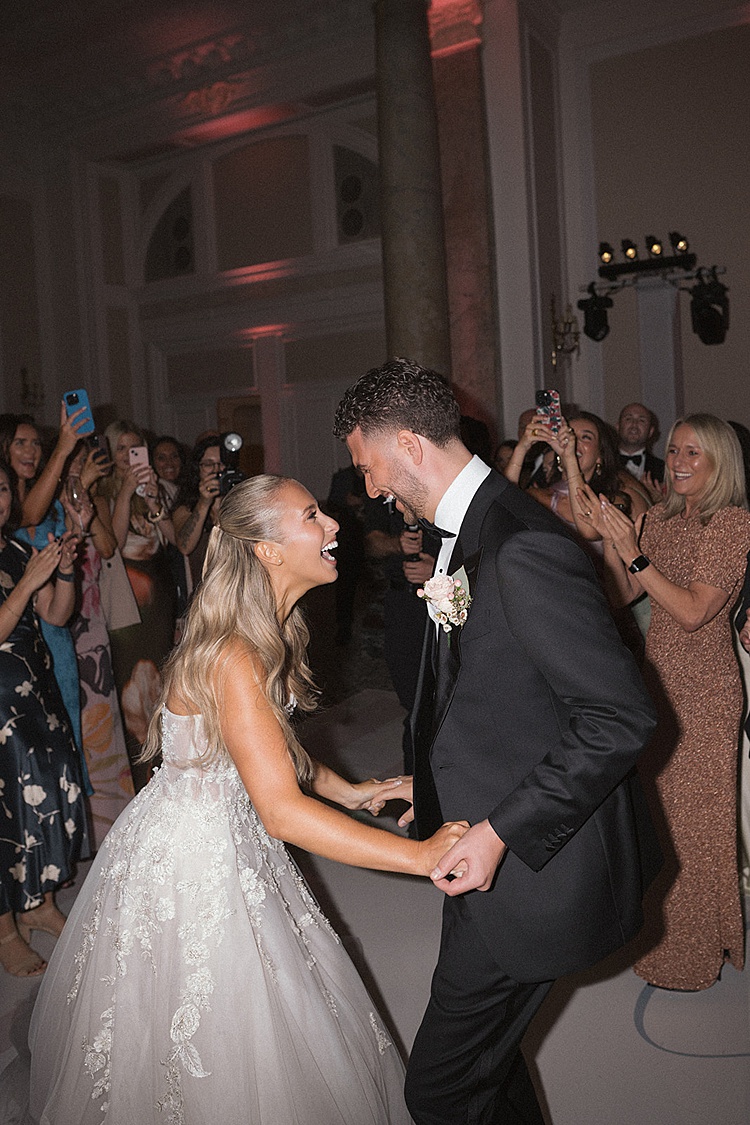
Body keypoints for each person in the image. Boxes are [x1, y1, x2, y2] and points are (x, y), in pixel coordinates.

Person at [27, 474, 466, 1122]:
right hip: (194, 856)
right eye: (311, 515)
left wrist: (352, 790)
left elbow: (265, 749)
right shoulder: (236, 655)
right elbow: (281, 809)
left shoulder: (267, 631)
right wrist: (420, 855)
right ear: (266, 549)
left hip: (225, 832)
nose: (334, 525)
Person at [333, 357, 660, 1125]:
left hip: (528, 865)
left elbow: (619, 716)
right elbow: (489, 686)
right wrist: (427, 778)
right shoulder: (467, 528)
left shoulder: (520, 542)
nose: (370, 489)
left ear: (409, 445)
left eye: (368, 466)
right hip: (473, 840)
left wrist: (499, 830)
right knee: (489, 1067)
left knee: (439, 1089)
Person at [579, 413, 750, 991]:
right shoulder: (658, 517)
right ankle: (664, 938)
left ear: (721, 461)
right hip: (656, 682)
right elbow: (626, 592)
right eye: (674, 450)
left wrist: (634, 551)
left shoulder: (732, 524)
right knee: (661, 823)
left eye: (693, 452)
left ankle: (695, 954)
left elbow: (694, 611)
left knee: (698, 828)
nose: (677, 461)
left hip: (705, 692)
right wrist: (612, 541)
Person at [0, 460, 89, 977]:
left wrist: (64, 570)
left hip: (36, 687)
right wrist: (28, 582)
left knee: (55, 786)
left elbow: (56, 613)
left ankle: (41, 902)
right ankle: (5, 930)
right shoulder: (21, 561)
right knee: (8, 809)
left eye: (2, 489)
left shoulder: (16, 550)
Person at [61, 442, 134, 848]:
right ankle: (79, 831)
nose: (82, 464)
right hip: (62, 624)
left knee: (105, 723)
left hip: (93, 625)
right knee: (78, 726)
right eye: (74, 458)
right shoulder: (47, 506)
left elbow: (107, 548)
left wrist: (87, 500)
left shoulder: (97, 501)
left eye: (85, 458)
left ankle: (113, 827)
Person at [99, 421, 177, 792]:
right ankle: (138, 778)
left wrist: (153, 500)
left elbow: (175, 541)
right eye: (121, 448)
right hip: (125, 602)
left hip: (158, 600)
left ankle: (165, 771)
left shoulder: (154, 488)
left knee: (162, 684)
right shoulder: (101, 493)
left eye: (135, 448)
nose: (128, 456)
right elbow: (111, 545)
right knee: (132, 688)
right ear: (110, 453)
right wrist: (127, 492)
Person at [617, 401, 665, 485]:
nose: (634, 425)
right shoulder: (603, 464)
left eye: (641, 421)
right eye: (628, 419)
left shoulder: (663, 469)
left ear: (651, 431)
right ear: (617, 427)